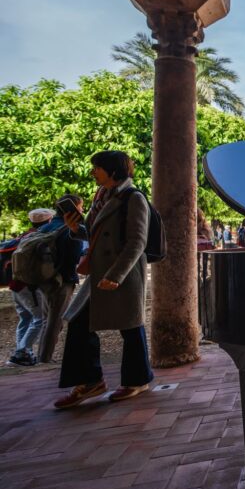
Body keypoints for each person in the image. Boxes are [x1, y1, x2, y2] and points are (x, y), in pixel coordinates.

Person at [53, 150, 155, 409]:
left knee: (130, 326)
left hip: (124, 273)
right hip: (101, 272)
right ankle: (90, 380)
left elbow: (137, 241)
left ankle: (137, 380)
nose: (92, 172)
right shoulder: (102, 197)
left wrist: (117, 275)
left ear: (112, 170)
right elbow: (97, 236)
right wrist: (76, 229)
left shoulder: (133, 198)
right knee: (80, 321)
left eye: (97, 167)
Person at [37, 196, 86, 363]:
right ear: (71, 210)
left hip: (43, 279)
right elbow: (74, 256)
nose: (82, 211)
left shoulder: (45, 228)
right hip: (63, 280)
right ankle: (45, 359)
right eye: (80, 208)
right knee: (55, 321)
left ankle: (41, 356)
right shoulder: (69, 229)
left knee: (46, 320)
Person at [6, 208, 56, 367]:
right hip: (30, 286)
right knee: (39, 319)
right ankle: (21, 352)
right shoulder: (38, 239)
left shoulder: (23, 236)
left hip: (15, 284)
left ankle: (22, 353)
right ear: (48, 221)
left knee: (25, 318)